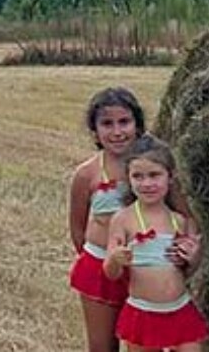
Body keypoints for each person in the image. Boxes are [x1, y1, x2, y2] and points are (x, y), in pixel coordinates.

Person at [103, 134, 209, 352]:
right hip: (143, 312)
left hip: (180, 309)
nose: (147, 183)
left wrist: (194, 257)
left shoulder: (179, 221)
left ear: (170, 177)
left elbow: (186, 272)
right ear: (128, 178)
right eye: (138, 176)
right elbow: (110, 273)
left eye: (154, 175)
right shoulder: (123, 219)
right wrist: (115, 259)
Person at [68, 87, 145, 352]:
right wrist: (100, 258)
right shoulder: (86, 174)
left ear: (137, 124)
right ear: (95, 130)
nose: (117, 132)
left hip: (145, 269)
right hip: (100, 269)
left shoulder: (153, 169)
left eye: (124, 122)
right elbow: (77, 229)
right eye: (107, 124)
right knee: (102, 347)